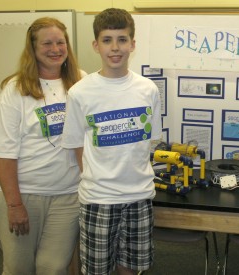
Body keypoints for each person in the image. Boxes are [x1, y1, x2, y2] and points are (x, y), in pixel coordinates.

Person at [61, 8, 162, 275]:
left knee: (131, 269)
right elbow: (76, 146)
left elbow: (149, 142)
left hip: (139, 197)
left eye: (122, 39)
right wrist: (98, 177)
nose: (115, 48)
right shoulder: (80, 92)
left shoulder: (148, 90)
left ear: (132, 44)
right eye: (107, 40)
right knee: (97, 271)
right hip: (98, 199)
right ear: (96, 45)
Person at [0, 17, 85, 274]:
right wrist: (14, 205)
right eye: (47, 43)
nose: (55, 49)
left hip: (67, 194)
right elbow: (3, 154)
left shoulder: (82, 83)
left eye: (60, 42)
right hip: (21, 194)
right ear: (33, 49)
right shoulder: (14, 91)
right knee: (20, 267)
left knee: (53, 267)